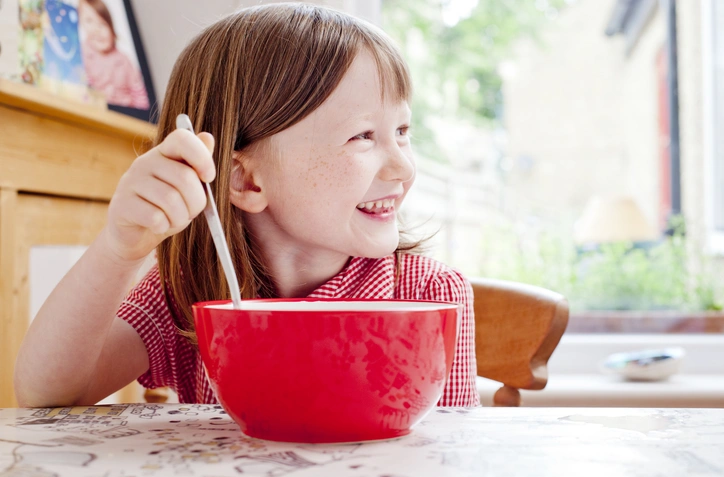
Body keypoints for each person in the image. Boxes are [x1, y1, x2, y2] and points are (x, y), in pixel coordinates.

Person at [14, 3, 479, 408]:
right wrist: (118, 249)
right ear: (245, 178)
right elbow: (49, 394)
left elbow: (448, 455)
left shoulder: (431, 296)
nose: (403, 167)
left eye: (402, 131)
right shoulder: (187, 293)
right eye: (363, 136)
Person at [77, 0, 149, 109]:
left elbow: (140, 97)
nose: (97, 30)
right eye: (89, 21)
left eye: (103, 24)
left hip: (125, 115)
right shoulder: (83, 55)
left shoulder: (124, 61)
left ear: (111, 28)